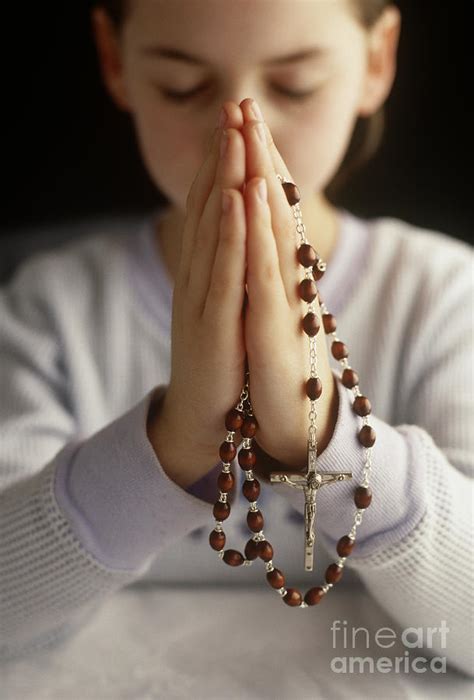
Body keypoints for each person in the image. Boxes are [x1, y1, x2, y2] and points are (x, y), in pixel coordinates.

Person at [0, 0, 472, 679]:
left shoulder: (443, 299)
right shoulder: (48, 313)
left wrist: (325, 438)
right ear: (115, 60)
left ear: (376, 60)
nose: (244, 140)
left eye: (294, 86)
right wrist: (174, 441)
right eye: (183, 86)